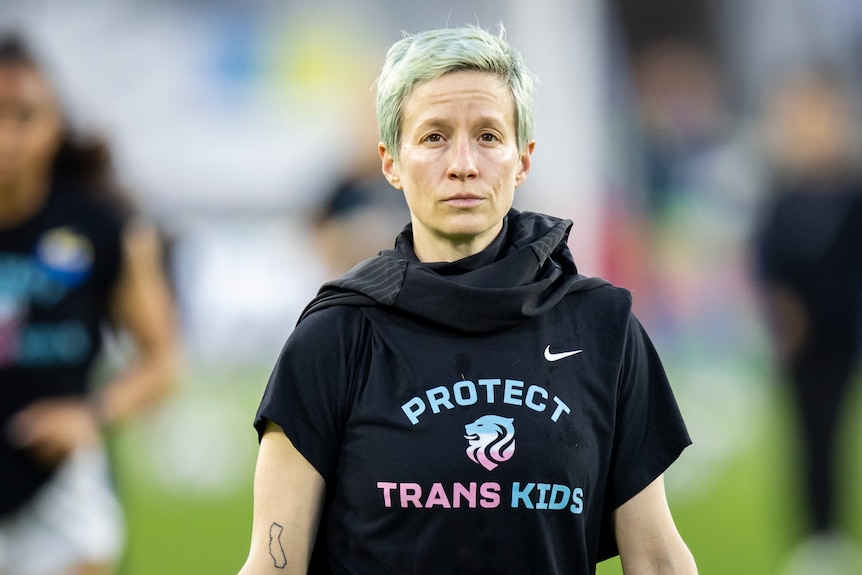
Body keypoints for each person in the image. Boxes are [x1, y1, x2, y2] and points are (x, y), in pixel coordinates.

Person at [238, 25, 696, 575]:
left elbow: (656, 557)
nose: (463, 164)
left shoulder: (601, 328)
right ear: (390, 162)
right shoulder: (334, 336)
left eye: (487, 136)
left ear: (522, 160)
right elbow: (274, 564)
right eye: (433, 137)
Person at [0, 33, 178, 575]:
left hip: (59, 493)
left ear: (56, 125)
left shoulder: (102, 229)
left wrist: (89, 415)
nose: (6, 137)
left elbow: (162, 361)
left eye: (24, 116)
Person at [753, 69, 862, 575]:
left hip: (849, 329)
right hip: (804, 340)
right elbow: (766, 262)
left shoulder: (851, 191)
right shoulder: (783, 195)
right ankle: (818, 536)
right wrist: (780, 309)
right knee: (810, 436)